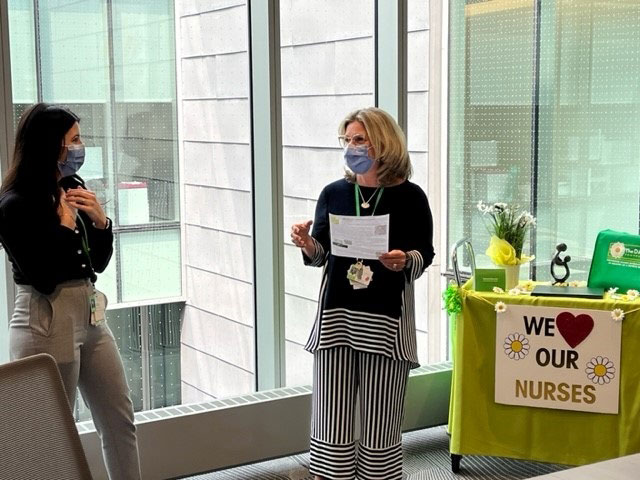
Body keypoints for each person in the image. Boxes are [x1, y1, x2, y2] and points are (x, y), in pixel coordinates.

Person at [291, 107, 435, 480]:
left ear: (384, 144)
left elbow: (425, 252)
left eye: (360, 140)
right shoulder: (334, 193)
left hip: (387, 324)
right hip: (336, 320)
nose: (352, 147)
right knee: (330, 424)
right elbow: (323, 253)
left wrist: (405, 260)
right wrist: (307, 243)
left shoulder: (411, 197)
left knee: (381, 426)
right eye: (348, 140)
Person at [0, 103, 141, 479]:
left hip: (89, 313)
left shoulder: (71, 188)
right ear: (52, 145)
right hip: (45, 316)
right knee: (50, 437)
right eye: (75, 139)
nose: (82, 147)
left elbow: (96, 263)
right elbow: (42, 274)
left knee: (119, 418)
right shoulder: (14, 205)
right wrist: (63, 226)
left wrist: (100, 221)